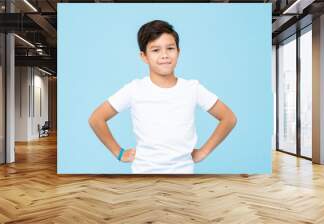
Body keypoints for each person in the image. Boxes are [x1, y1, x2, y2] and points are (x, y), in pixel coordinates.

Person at [89, 20, 237, 174]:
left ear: (178, 52)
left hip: (183, 176)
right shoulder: (134, 89)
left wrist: (203, 152)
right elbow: (96, 118)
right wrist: (119, 153)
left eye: (170, 48)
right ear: (144, 56)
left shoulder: (192, 88)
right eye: (155, 50)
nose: (164, 55)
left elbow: (229, 118)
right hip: (143, 176)